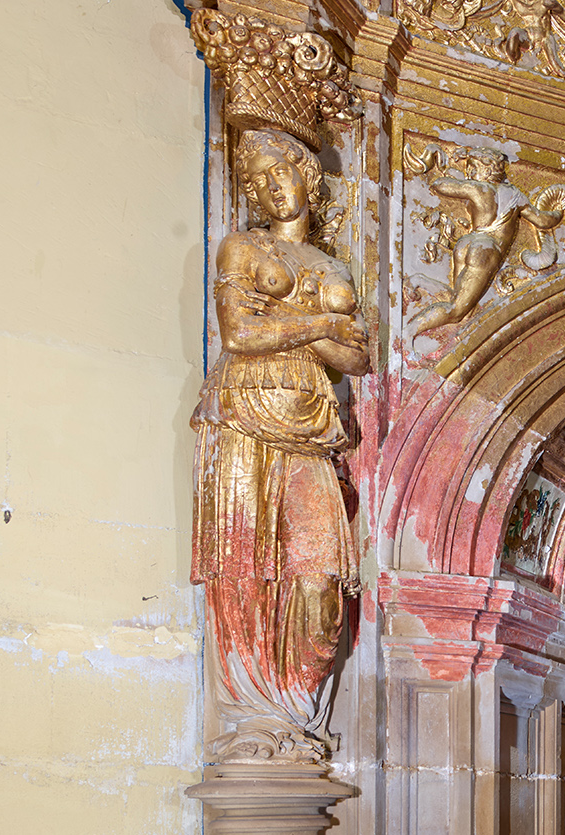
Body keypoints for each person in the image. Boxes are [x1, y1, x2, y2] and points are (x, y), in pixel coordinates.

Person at [191, 129, 371, 763]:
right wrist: (320, 323)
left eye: (280, 171)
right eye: (258, 178)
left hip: (311, 421)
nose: (271, 186)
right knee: (244, 562)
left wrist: (304, 332)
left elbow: (356, 357)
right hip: (243, 411)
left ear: (307, 175)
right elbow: (239, 334)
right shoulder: (240, 248)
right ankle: (254, 718)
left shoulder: (333, 268)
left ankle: (295, 711)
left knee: (320, 585)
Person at [408, 146, 534, 332]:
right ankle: (408, 333)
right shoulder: (516, 195)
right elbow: (544, 219)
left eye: (475, 167)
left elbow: (439, 185)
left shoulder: (477, 189)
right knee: (457, 311)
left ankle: (420, 280)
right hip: (486, 250)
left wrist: (457, 179)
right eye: (470, 167)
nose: (471, 171)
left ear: (489, 170)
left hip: (468, 243)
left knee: (463, 310)